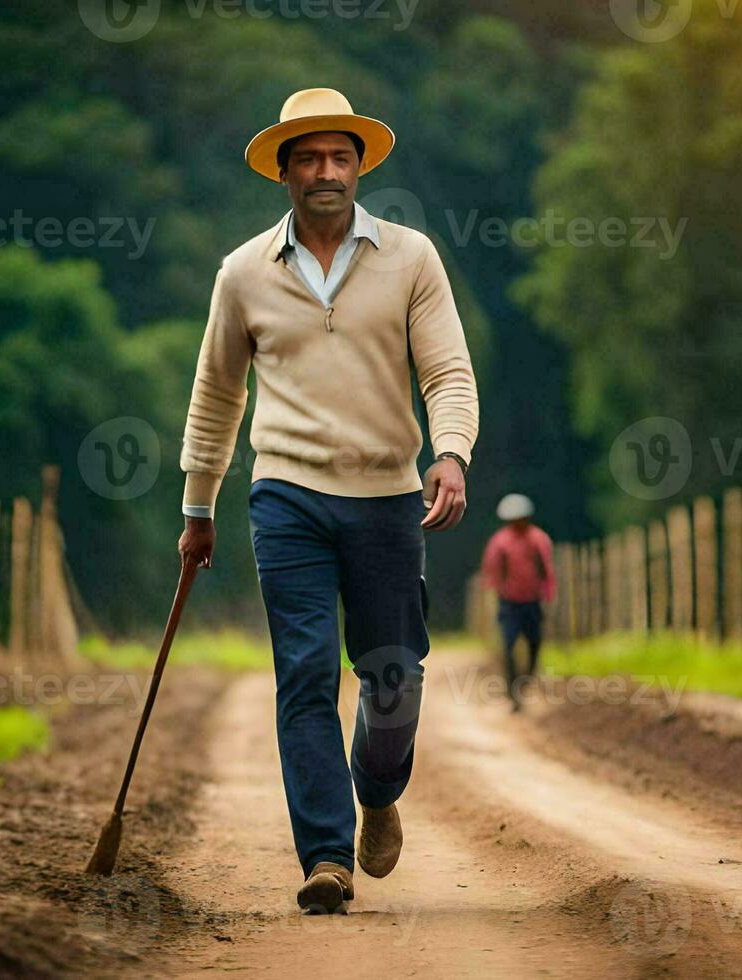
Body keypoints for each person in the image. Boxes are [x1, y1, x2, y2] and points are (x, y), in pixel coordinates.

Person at [176, 88, 479, 914]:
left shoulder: (411, 258)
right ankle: (325, 856)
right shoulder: (242, 273)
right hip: (288, 498)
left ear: (359, 167)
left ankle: (377, 794)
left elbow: (447, 372)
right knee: (303, 673)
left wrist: (449, 454)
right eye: (307, 158)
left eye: (339, 158)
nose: (325, 172)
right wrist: (198, 505)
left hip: (388, 498)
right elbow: (216, 396)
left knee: (392, 678)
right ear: (283, 172)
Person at [480, 494, 554, 710]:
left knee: (535, 642)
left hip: (532, 600)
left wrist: (547, 594)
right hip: (509, 602)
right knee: (508, 645)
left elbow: (546, 569)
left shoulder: (538, 539)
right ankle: (513, 692)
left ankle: (527, 679)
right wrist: (494, 594)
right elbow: (491, 571)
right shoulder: (500, 542)